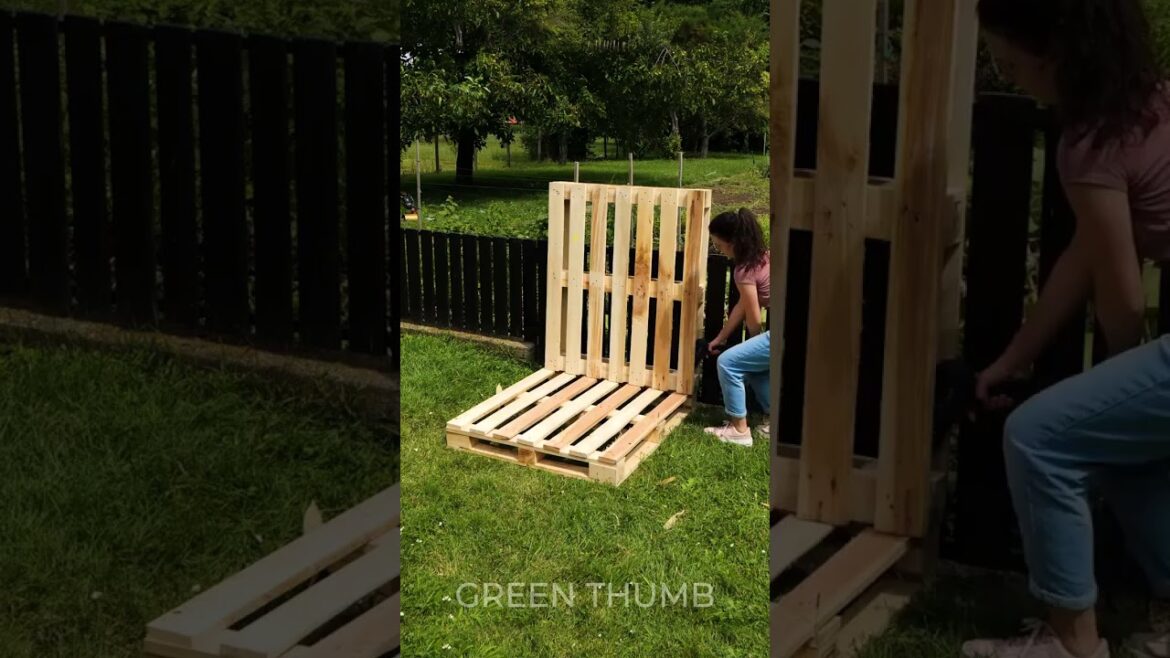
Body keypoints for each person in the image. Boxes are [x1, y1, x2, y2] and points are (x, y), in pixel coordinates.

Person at [961, 1, 1170, 657]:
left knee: (1038, 437)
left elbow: (1125, 300)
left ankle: (1070, 643)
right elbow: (1084, 259)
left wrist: (1115, 368)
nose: (1006, 72)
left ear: (1054, 54)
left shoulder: (1090, 144)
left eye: (1007, 58)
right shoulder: (1150, 106)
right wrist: (1013, 360)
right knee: (1112, 447)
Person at [703, 208, 771, 447]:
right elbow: (742, 306)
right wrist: (721, 338)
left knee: (728, 363)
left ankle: (738, 430)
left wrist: (756, 342)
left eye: (719, 245)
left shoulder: (743, 270)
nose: (719, 250)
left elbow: (754, 317)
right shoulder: (763, 257)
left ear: (732, 242)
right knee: (752, 364)